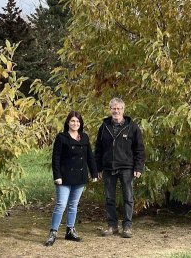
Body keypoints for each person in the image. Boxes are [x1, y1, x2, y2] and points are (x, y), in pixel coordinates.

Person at [44, 111, 98, 247]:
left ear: (81, 124)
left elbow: (90, 157)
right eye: (73, 121)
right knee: (61, 205)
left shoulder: (84, 137)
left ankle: (70, 230)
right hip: (64, 177)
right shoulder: (61, 137)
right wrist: (57, 176)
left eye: (78, 121)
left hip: (80, 176)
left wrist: (94, 173)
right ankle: (53, 232)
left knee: (73, 205)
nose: (75, 124)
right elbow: (55, 159)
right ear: (68, 122)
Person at [95, 97, 145, 238]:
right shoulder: (104, 127)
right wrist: (98, 168)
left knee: (128, 198)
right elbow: (98, 149)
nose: (116, 111)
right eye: (113, 108)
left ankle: (127, 226)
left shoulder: (132, 127)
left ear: (123, 110)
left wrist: (138, 167)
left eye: (119, 108)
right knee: (109, 198)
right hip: (108, 167)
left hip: (127, 168)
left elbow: (139, 149)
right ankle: (112, 226)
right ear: (110, 109)